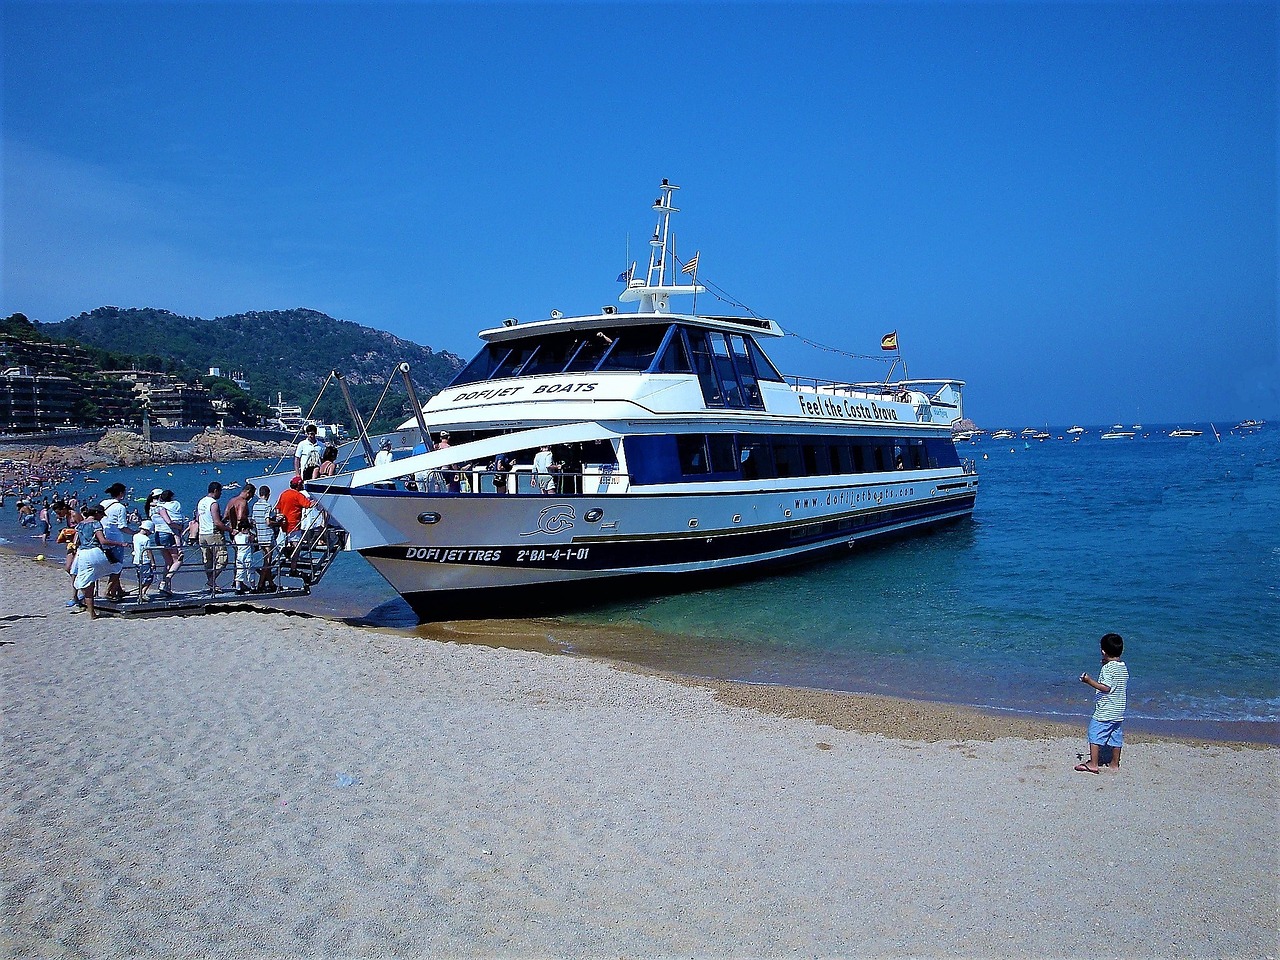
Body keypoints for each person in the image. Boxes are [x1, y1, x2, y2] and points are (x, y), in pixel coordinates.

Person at [1076, 633, 1129, 773]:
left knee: (1094, 734)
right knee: (1115, 736)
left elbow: (1106, 687)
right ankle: (1114, 763)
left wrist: (1089, 681)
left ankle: (1093, 763)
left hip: (1105, 710)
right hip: (1118, 711)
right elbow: (1116, 683)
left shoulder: (1107, 669)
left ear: (1103, 651)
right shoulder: (1122, 667)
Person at [71, 504, 111, 619]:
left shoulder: (80, 525)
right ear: (97, 513)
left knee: (88, 584)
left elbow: (75, 542)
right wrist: (120, 543)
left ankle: (92, 612)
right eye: (101, 515)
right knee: (116, 568)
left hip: (81, 554)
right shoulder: (96, 524)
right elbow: (102, 541)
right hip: (94, 552)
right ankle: (111, 592)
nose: (102, 517)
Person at [100, 482, 135, 601]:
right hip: (116, 538)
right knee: (117, 566)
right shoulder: (120, 507)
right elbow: (122, 526)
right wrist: (134, 533)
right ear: (121, 493)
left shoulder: (104, 503)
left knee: (112, 564)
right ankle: (109, 591)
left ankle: (118, 590)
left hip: (103, 537)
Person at [196, 481, 230, 594]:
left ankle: (212, 583)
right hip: (213, 533)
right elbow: (217, 522)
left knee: (208, 560)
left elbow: (198, 518)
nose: (220, 494)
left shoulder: (201, 502)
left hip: (202, 533)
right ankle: (211, 581)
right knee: (222, 559)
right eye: (220, 491)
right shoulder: (213, 503)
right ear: (216, 491)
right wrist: (230, 529)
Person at [147, 488, 182, 592]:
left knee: (168, 561)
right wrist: (179, 527)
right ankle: (165, 582)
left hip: (158, 535)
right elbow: (169, 522)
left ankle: (166, 587)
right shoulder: (161, 508)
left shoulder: (151, 508)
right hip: (167, 533)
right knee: (178, 560)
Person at [132, 520, 157, 602]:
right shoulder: (146, 539)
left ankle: (140, 592)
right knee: (149, 578)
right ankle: (142, 592)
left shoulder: (135, 536)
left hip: (136, 560)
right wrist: (153, 562)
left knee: (141, 577)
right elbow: (149, 551)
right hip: (145, 560)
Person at [232, 518, 255, 594]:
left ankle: (238, 588)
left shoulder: (236, 536)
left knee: (239, 572)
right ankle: (253, 587)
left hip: (239, 555)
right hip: (247, 556)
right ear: (243, 529)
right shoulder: (247, 536)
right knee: (250, 571)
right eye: (247, 529)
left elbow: (234, 544)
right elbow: (252, 539)